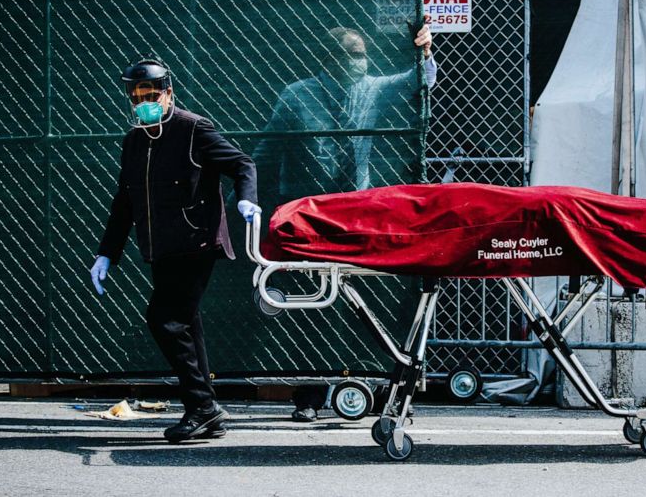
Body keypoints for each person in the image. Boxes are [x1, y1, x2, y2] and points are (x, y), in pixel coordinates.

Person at [254, 25, 437, 422]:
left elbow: (417, 82)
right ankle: (309, 396)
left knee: (359, 300)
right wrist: (250, 200)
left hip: (353, 213)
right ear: (330, 59)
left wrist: (423, 52)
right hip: (307, 214)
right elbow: (267, 153)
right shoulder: (296, 96)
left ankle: (365, 381)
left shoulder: (372, 88)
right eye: (353, 54)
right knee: (310, 305)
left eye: (363, 54)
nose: (361, 62)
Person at [90, 55, 261, 442]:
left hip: (196, 241)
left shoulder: (193, 127)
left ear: (169, 93)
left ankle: (201, 406)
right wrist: (107, 253)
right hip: (161, 246)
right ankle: (207, 410)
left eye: (151, 93)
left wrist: (246, 198)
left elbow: (242, 163)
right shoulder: (134, 140)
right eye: (136, 95)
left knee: (164, 319)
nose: (144, 101)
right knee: (185, 323)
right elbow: (125, 202)